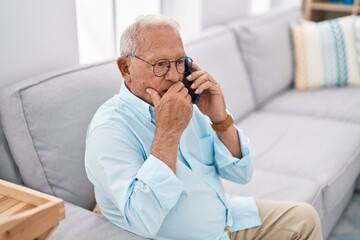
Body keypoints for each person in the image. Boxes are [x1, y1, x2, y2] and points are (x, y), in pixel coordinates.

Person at [84, 15, 323, 240]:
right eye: (160, 65)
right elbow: (143, 218)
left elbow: (242, 173)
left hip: (227, 215)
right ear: (126, 68)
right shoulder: (108, 131)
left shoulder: (186, 103)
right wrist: (169, 131)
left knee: (305, 218)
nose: (176, 77)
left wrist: (219, 118)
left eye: (179, 62)